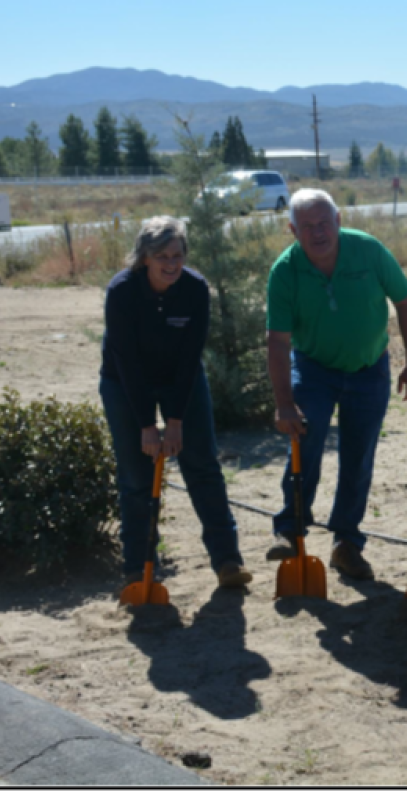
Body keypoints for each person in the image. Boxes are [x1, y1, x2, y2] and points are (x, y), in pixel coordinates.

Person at [265, 189, 407, 581]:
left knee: (359, 455)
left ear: (338, 220)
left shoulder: (368, 250)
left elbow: (405, 302)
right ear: (292, 230)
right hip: (314, 369)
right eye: (307, 227)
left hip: (369, 369)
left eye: (324, 223)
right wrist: (284, 402)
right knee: (306, 438)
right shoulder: (285, 271)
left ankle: (346, 543)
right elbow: (278, 341)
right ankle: (291, 529)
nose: (318, 233)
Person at [100, 216, 251, 591]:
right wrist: (148, 427)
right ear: (144, 257)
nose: (171, 264)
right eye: (162, 256)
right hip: (124, 382)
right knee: (136, 477)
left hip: (180, 380)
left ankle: (227, 560)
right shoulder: (122, 292)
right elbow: (127, 363)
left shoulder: (195, 289)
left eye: (178, 256)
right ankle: (137, 569)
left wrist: (176, 420)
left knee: (201, 466)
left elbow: (189, 359)